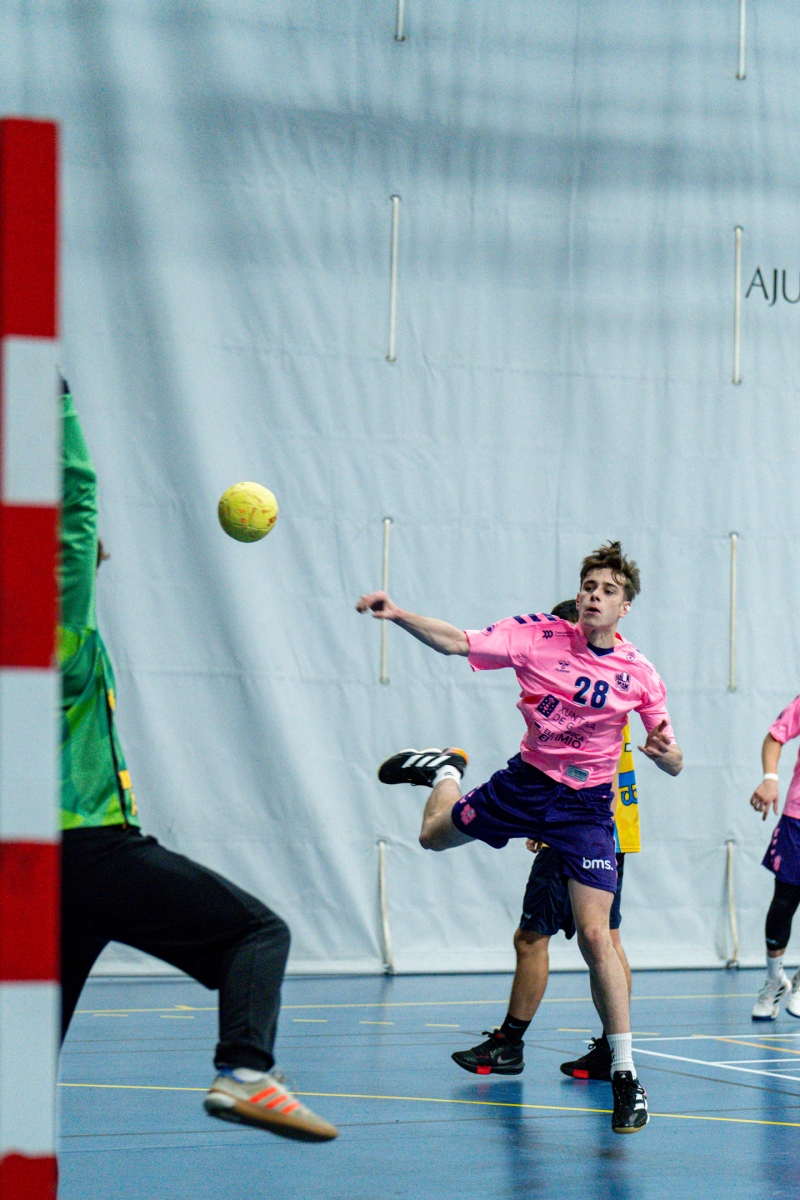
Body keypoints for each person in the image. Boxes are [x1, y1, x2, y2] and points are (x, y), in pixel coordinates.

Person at [59, 381, 336, 1142]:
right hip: (87, 846)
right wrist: (57, 404)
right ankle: (246, 1074)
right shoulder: (55, 633)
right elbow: (76, 512)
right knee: (255, 934)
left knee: (21, 1050)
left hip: (36, 866)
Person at [357, 542, 683, 1134]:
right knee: (431, 836)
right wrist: (398, 614)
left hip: (585, 809)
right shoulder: (536, 636)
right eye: (589, 586)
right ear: (578, 595)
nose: (595, 595)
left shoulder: (639, 673)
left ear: (625, 607)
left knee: (597, 936)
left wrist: (667, 756)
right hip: (526, 784)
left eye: (608, 590)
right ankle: (446, 772)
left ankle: (625, 1074)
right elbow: (456, 640)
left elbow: (675, 757)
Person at [450, 600, 640, 1083]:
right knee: (606, 940)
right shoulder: (611, 694)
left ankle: (510, 1044)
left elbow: (582, 779)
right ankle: (610, 1048)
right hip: (607, 832)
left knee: (536, 936)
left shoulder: (589, 703)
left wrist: (546, 821)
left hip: (579, 829)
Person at [748, 696, 800, 1020]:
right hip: (798, 819)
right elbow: (775, 736)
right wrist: (771, 779)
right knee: (784, 903)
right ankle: (774, 978)